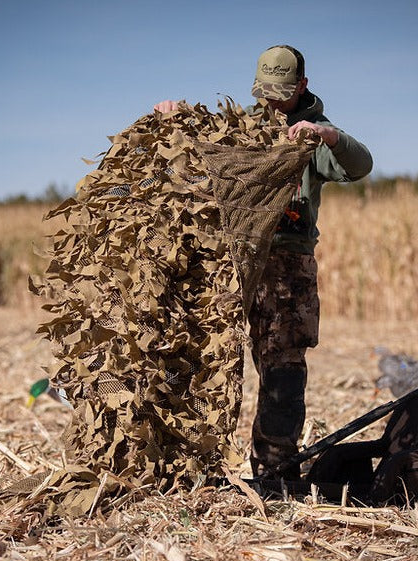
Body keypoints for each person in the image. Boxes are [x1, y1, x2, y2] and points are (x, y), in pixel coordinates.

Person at [154, 45, 373, 480]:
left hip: (287, 266)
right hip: (231, 261)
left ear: (302, 87)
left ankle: (275, 470)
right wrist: (175, 118)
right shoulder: (241, 128)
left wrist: (329, 137)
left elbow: (361, 164)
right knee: (204, 357)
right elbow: (196, 159)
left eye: (281, 93)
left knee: (283, 368)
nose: (271, 102)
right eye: (264, 92)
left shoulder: (315, 134)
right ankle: (190, 463)